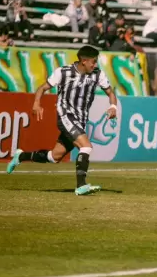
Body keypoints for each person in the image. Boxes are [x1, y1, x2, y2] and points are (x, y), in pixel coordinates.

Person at [6, 46, 118, 196]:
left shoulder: (98, 75)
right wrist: (36, 103)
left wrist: (113, 107)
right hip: (65, 115)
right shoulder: (63, 72)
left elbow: (110, 93)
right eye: (93, 62)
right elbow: (42, 88)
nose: (95, 65)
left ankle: (20, 156)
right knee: (86, 147)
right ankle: (81, 186)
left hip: (80, 119)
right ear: (84, 61)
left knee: (54, 157)